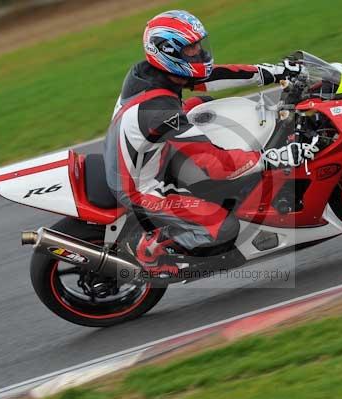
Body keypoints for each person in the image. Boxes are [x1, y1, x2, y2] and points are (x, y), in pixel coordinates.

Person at [103, 10, 310, 276]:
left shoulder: (151, 73)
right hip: (139, 187)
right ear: (169, 52)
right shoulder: (158, 109)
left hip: (150, 152)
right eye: (191, 49)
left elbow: (216, 76)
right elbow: (217, 166)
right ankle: (148, 249)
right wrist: (275, 157)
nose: (200, 53)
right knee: (224, 228)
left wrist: (276, 72)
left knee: (205, 105)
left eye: (200, 45)